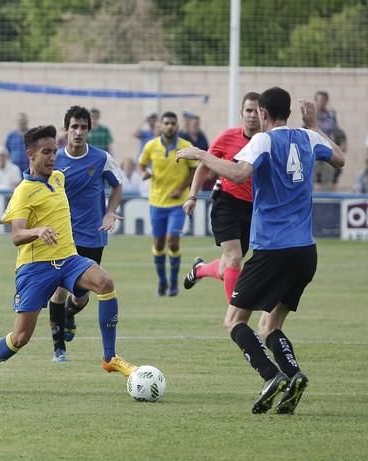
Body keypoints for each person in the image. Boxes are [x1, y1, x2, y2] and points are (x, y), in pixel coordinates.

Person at [177, 87, 345, 414]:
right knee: (269, 326)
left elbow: (239, 172)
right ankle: (294, 376)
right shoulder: (308, 137)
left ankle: (271, 376)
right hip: (305, 252)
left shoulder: (263, 140)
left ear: (264, 114)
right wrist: (313, 125)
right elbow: (339, 158)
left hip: (272, 249)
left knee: (234, 320)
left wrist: (201, 155)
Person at [0, 125, 136, 393]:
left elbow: (85, 184)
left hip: (68, 259)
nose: (52, 157)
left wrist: (107, 208)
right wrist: (37, 231)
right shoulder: (24, 191)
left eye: (54, 152)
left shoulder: (58, 178)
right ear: (31, 155)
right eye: (46, 152)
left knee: (105, 282)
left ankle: (109, 357)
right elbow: (16, 235)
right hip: (35, 269)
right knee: (21, 337)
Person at [48, 105, 124, 362]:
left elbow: (118, 185)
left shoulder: (101, 158)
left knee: (81, 297)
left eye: (83, 127)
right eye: (74, 127)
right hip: (62, 237)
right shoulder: (54, 159)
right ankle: (59, 350)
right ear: (66, 130)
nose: (78, 132)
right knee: (58, 290)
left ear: (89, 131)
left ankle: (70, 312)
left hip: (92, 236)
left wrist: (110, 212)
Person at [182, 92, 261, 304]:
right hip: (226, 201)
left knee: (229, 266)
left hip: (254, 207)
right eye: (249, 110)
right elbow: (204, 165)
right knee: (235, 259)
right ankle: (234, 319)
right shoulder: (228, 137)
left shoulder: (268, 141)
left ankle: (199, 270)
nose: (253, 115)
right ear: (241, 113)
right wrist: (192, 196)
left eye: (257, 111)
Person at [139, 111, 197, 296]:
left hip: (178, 204)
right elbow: (142, 164)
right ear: (161, 126)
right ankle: (162, 282)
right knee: (158, 244)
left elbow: (195, 171)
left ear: (177, 126)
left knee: (172, 241)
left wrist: (181, 189)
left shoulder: (186, 146)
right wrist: (144, 173)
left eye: (173, 123)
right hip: (156, 202)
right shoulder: (151, 146)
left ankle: (173, 282)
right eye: (166, 123)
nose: (170, 126)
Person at [312, 91, 342, 192]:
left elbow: (337, 131)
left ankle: (330, 190)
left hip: (329, 148)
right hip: (316, 149)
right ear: (315, 101)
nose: (321, 103)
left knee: (332, 171)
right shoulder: (312, 116)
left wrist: (342, 143)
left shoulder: (331, 115)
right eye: (319, 100)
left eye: (323, 100)